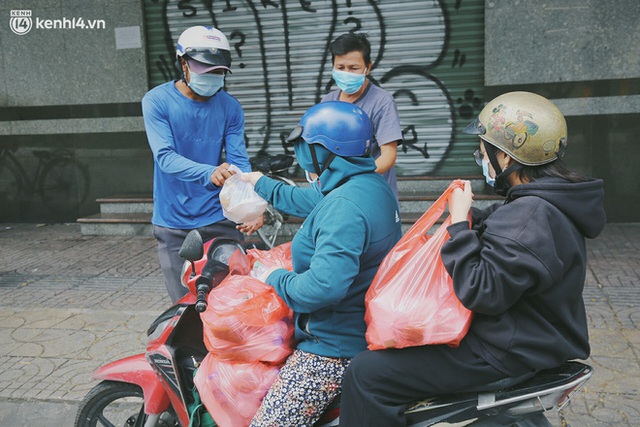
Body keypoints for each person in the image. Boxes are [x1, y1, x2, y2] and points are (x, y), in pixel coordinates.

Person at [338, 91, 606, 426]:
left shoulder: (531, 214)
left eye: (483, 153)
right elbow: (504, 229)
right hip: (532, 338)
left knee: (367, 373)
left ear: (505, 159)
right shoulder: (546, 201)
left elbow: (482, 291)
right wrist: (473, 219)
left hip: (507, 350)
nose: (481, 160)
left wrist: (460, 225)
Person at [230, 101, 402, 426]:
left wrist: (274, 276)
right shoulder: (367, 185)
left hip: (332, 349)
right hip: (358, 329)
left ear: (324, 150)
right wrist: (258, 182)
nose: (301, 155)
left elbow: (322, 288)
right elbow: (308, 199)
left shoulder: (345, 208)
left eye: (305, 147)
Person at [141, 25, 262, 303]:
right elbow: (165, 157)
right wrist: (211, 172)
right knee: (186, 309)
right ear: (183, 63)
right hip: (173, 223)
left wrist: (250, 207)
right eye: (204, 68)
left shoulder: (229, 107)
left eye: (218, 70)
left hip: (220, 219)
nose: (212, 75)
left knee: (231, 307)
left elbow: (238, 160)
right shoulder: (157, 101)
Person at [322, 32, 403, 200]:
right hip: (337, 197)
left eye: (353, 68)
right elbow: (316, 152)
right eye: (340, 68)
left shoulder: (382, 101)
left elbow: (388, 156)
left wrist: (353, 178)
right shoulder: (327, 103)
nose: (346, 73)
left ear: (368, 67)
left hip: (374, 197)